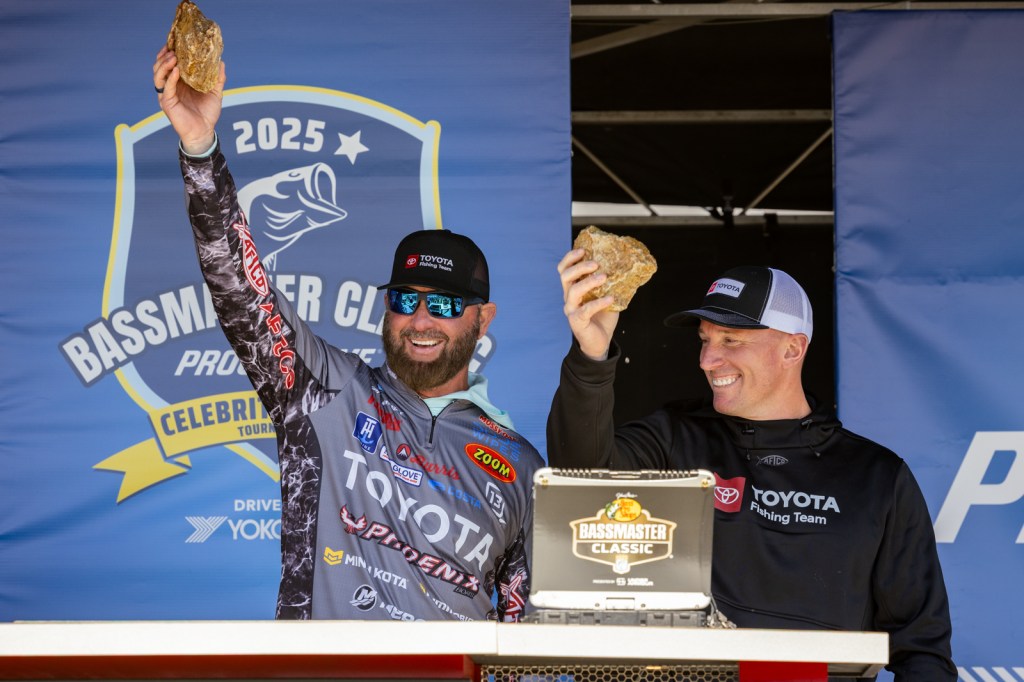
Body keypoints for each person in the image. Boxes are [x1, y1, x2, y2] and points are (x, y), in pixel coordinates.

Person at [153, 46, 542, 621]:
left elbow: (525, 627)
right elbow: (242, 292)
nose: (421, 320)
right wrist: (200, 148)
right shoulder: (327, 391)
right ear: (387, 307)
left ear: (483, 319)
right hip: (322, 663)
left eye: (444, 305)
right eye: (405, 300)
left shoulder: (522, 465)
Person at [548, 253, 956, 680]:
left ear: (792, 348)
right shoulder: (675, 438)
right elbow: (581, 480)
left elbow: (922, 648)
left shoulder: (876, 477)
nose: (708, 360)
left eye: (731, 341)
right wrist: (591, 356)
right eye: (705, 340)